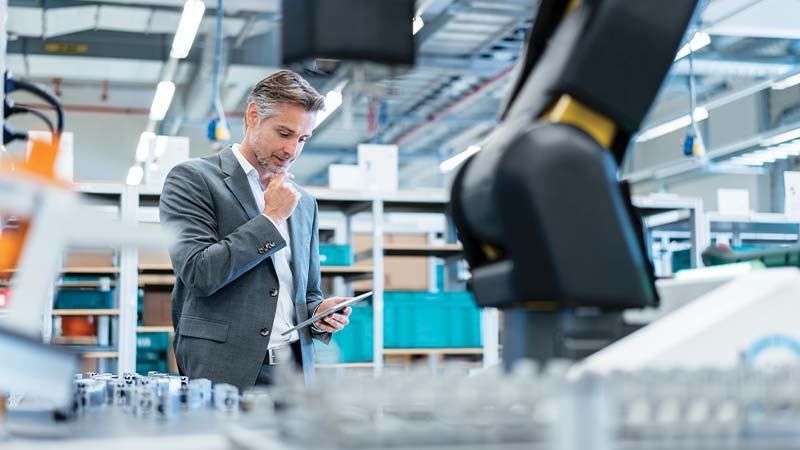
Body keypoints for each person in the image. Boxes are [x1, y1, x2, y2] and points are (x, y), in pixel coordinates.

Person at [159, 70, 353, 390]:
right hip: (221, 370)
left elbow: (308, 293)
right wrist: (271, 218)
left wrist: (320, 315)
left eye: (302, 139)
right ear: (253, 116)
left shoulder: (304, 204)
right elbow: (198, 273)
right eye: (284, 133)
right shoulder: (193, 179)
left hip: (293, 373)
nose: (292, 150)